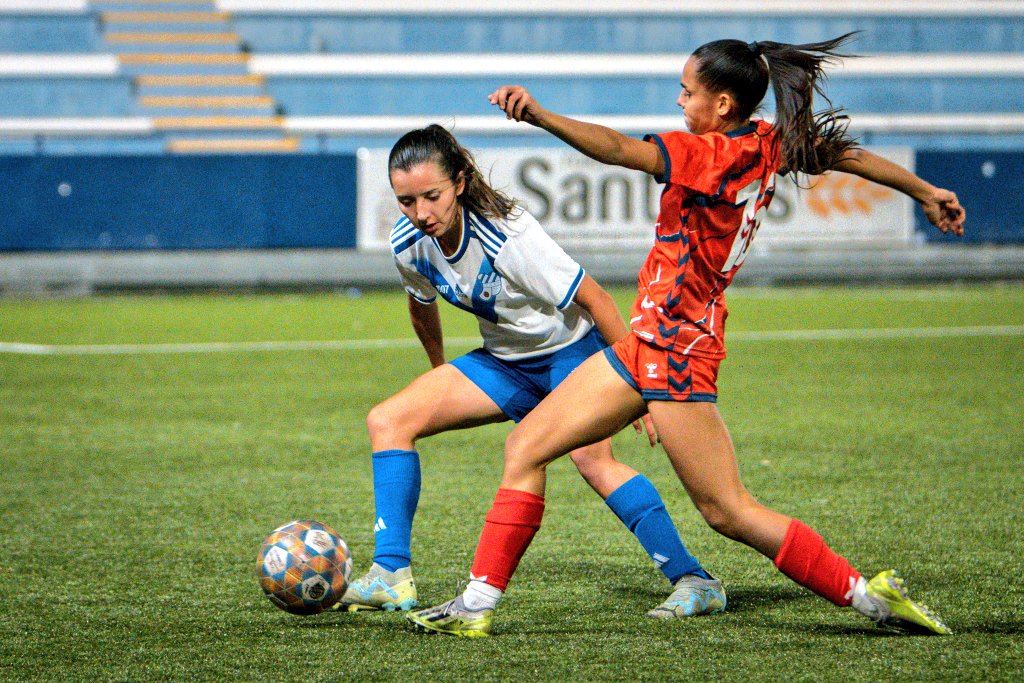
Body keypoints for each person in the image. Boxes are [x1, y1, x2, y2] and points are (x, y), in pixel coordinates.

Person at [406, 35, 965, 637]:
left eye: (687, 91)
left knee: (727, 511)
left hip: (678, 348)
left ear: (722, 103)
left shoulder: (714, 155)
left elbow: (620, 150)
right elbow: (844, 155)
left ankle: (870, 598)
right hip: (648, 339)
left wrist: (538, 114)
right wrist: (925, 191)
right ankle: (477, 605)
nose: (679, 101)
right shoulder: (767, 142)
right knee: (527, 448)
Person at [339, 124, 724, 620]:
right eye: (406, 201)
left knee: (593, 461)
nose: (421, 213)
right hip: (503, 362)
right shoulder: (408, 240)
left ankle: (694, 579)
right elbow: (421, 305)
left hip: (570, 356)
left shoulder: (507, 233)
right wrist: (440, 374)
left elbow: (596, 299)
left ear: (458, 181)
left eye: (431, 197)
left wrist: (640, 382)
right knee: (388, 420)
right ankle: (392, 576)